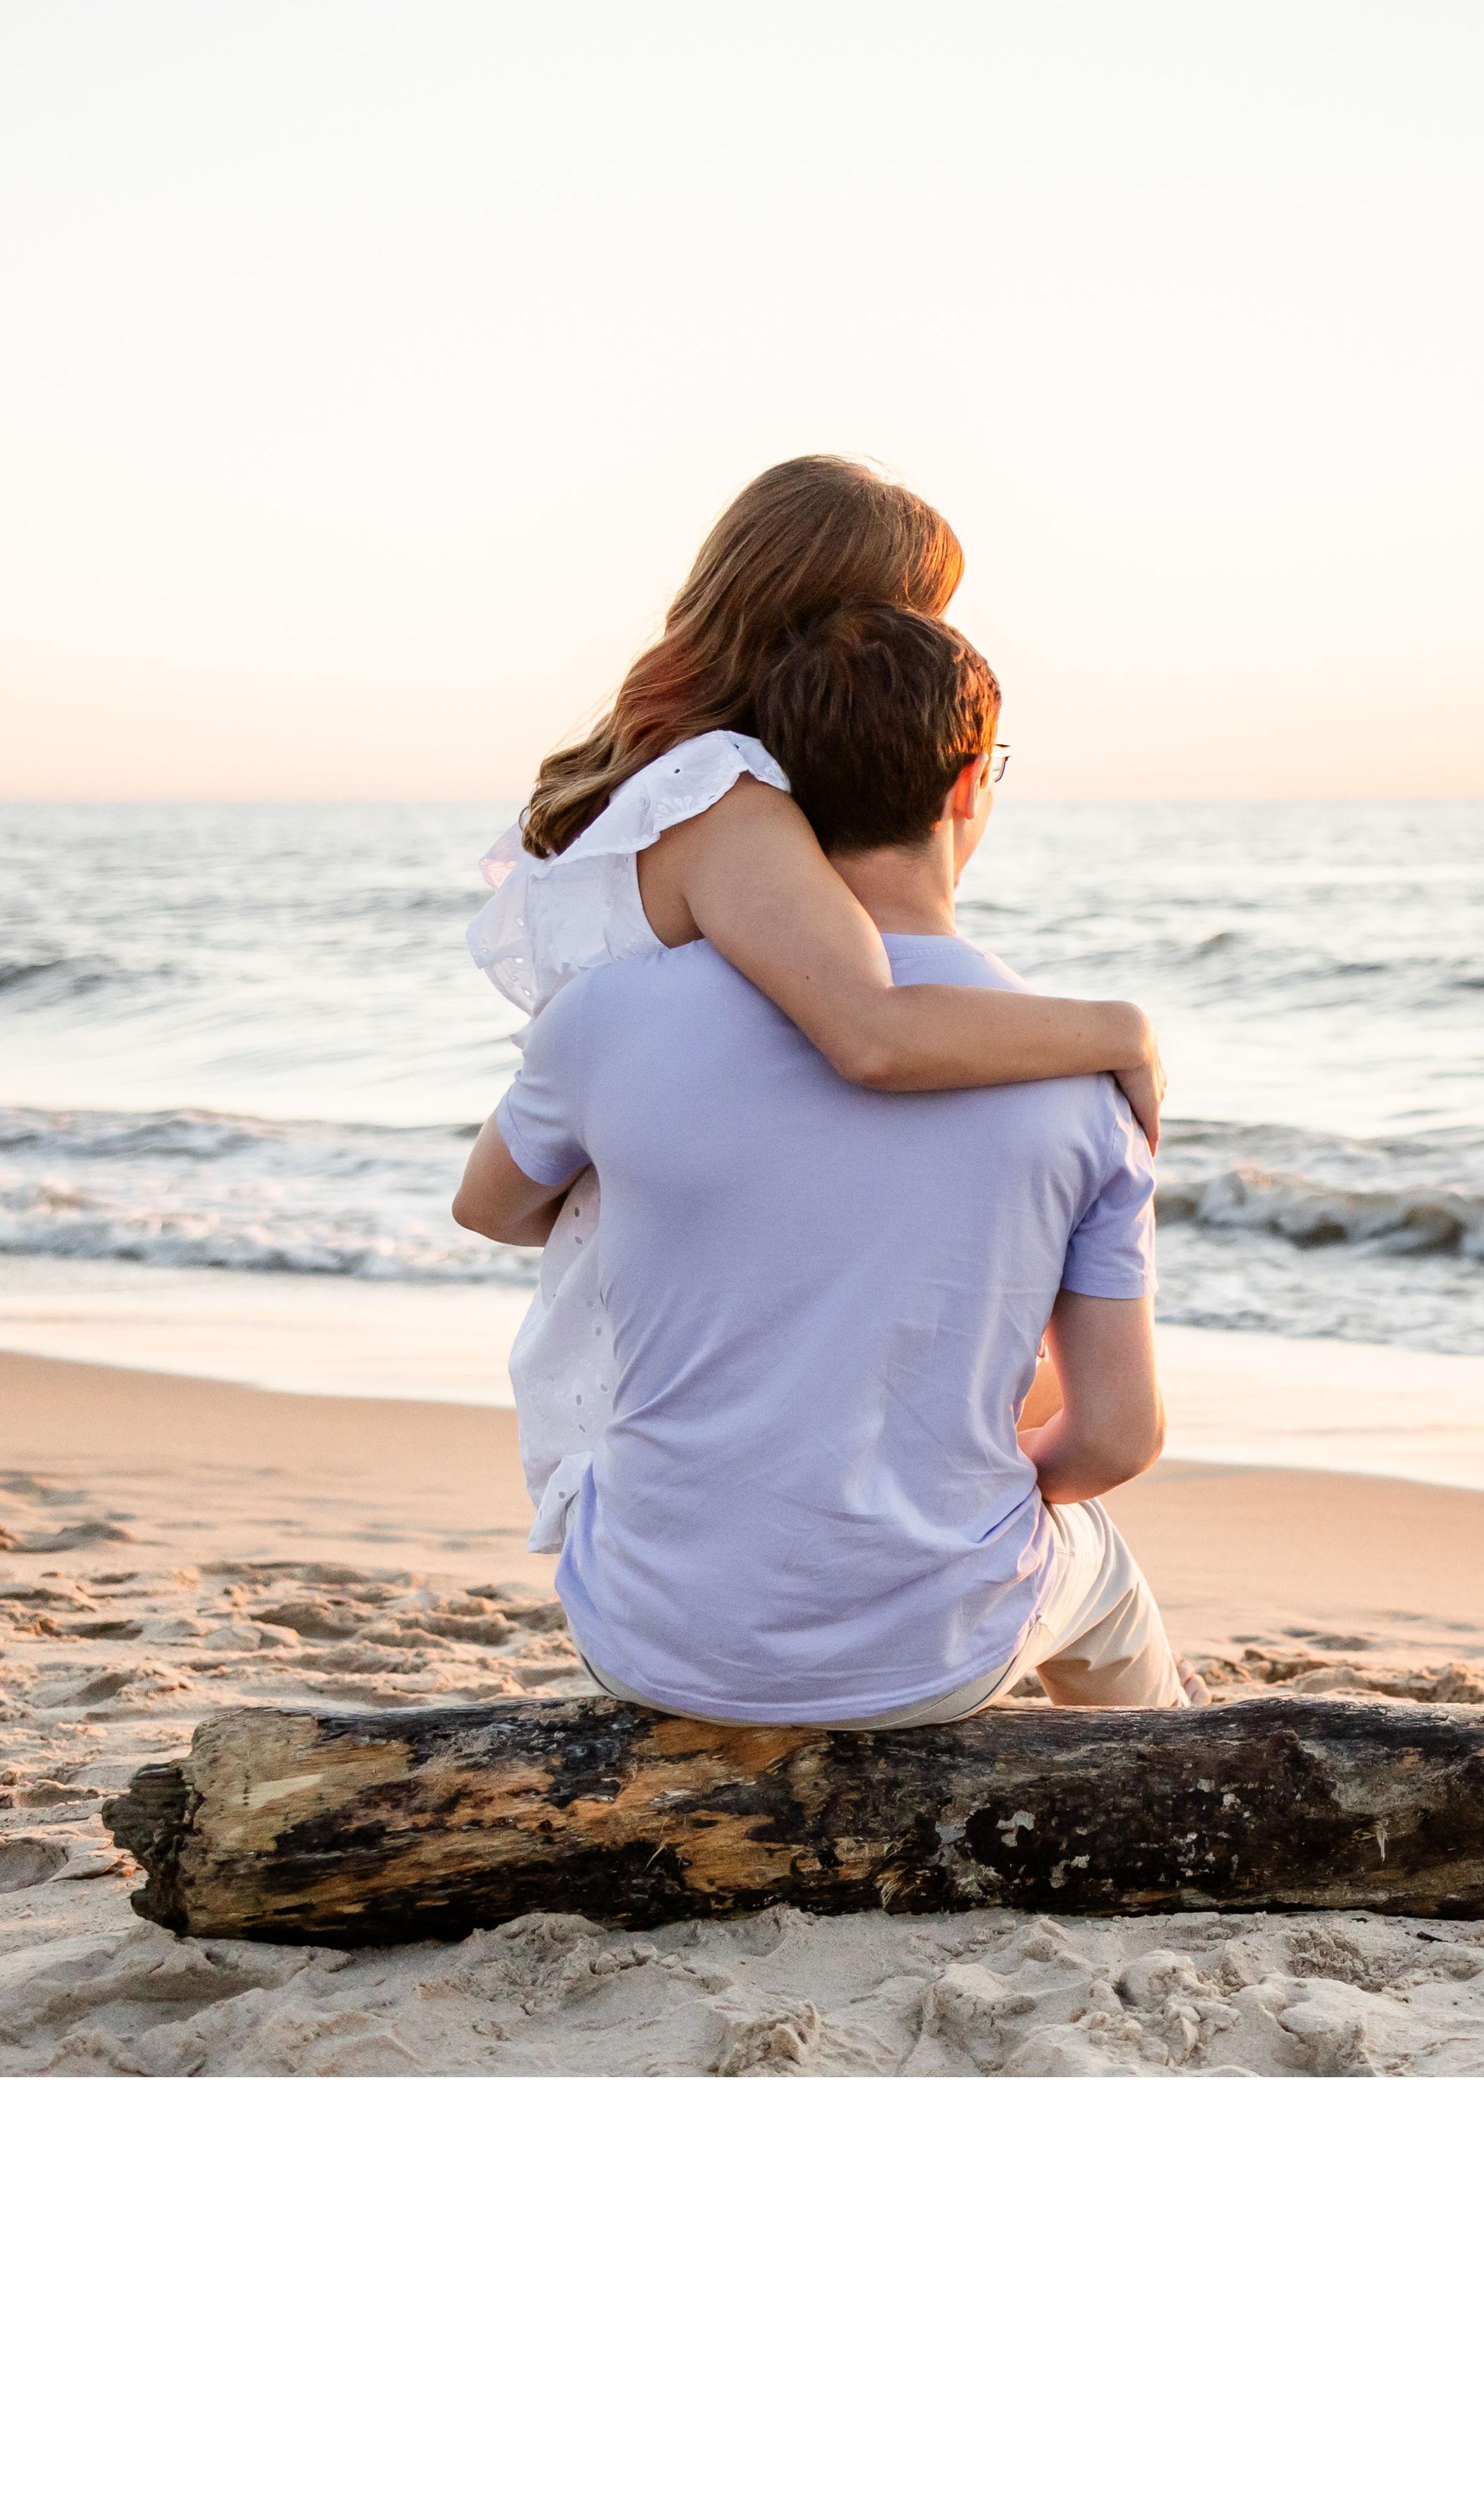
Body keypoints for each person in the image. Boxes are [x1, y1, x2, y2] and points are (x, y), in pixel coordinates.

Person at [450, 605, 1190, 1726]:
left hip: (646, 1634)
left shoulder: (608, 1016)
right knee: (1100, 1570)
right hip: (928, 1659)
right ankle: (1161, 1766)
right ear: (968, 785)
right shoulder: (1082, 1076)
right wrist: (954, 1491)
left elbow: (493, 1207)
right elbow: (1115, 1437)